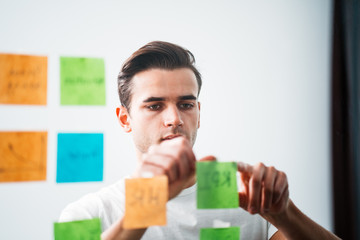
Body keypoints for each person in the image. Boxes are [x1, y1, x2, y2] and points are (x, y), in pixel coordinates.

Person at [59, 41, 340, 240]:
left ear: (199, 112)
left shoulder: (245, 199)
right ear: (124, 119)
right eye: (155, 106)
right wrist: (150, 202)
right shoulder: (85, 212)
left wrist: (285, 213)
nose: (174, 119)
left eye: (186, 104)